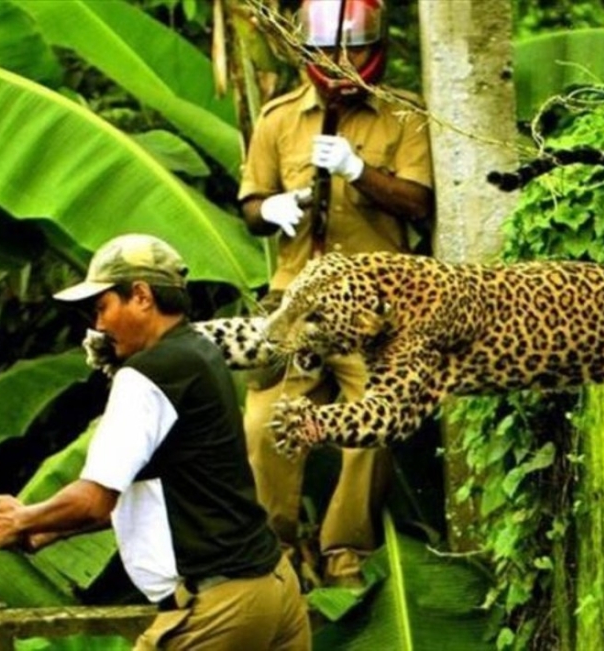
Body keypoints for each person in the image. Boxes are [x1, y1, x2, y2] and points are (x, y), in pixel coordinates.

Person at [0, 234, 311, 651]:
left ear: (142, 296)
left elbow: (93, 498)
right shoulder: (201, 353)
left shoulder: (147, 375)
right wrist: (46, 530)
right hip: (275, 589)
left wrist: (20, 520)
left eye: (103, 307)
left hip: (222, 607)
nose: (99, 326)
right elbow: (166, 497)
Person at [238, 0, 434, 587]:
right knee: (264, 424)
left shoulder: (403, 117)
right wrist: (269, 208)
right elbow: (251, 205)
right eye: (328, 51)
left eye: (351, 50)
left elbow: (418, 202)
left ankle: (344, 552)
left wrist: (358, 173)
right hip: (293, 299)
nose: (340, 61)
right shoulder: (277, 120)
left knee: (374, 418)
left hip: (375, 304)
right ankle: (277, 552)